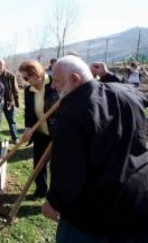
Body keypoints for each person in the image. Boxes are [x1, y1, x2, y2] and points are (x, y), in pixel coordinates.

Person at [42, 55, 148, 242]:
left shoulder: (72, 112)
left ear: (75, 79)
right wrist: (107, 75)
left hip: (95, 213)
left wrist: (54, 202)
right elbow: (137, 92)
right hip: (138, 202)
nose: (53, 86)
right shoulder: (125, 93)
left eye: (57, 81)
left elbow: (67, 168)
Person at [19, 60, 59, 199]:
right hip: (40, 132)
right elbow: (29, 112)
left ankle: (57, 196)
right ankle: (41, 190)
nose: (25, 81)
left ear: (35, 73)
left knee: (58, 166)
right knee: (39, 164)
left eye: (26, 77)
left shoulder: (55, 84)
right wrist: (28, 128)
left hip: (57, 133)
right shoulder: (28, 90)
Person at [0, 58, 19, 142]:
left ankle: (15, 137)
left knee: (11, 121)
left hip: (8, 102)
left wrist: (16, 102)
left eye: (0, 63)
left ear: (4, 65)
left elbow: (15, 90)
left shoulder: (10, 76)